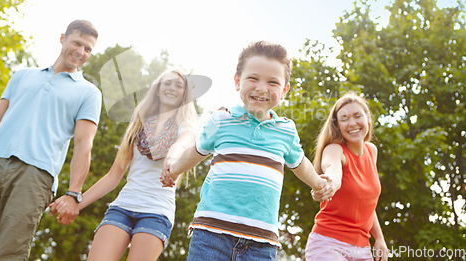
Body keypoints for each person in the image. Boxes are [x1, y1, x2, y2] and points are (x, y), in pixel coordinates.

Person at [161, 41, 335, 261]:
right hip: (211, 234)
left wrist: (319, 184)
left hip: (261, 243)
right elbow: (195, 152)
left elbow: (301, 165)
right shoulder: (222, 120)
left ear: (284, 90)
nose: (261, 88)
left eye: (273, 82)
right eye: (253, 78)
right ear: (237, 81)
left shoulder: (286, 130)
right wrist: (174, 169)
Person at [0, 20, 102, 260]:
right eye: (77, 43)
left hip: (35, 175)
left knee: (10, 253)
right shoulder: (22, 76)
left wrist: (74, 193)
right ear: (62, 38)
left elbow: (84, 144)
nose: (81, 52)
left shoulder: (88, 93)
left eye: (88, 49)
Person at [50, 70, 198, 261]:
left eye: (179, 86)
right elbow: (113, 176)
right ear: (157, 90)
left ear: (185, 94)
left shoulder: (186, 127)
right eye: (167, 83)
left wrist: (170, 160)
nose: (172, 88)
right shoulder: (138, 127)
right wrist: (77, 204)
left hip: (156, 212)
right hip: (122, 207)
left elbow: (181, 145)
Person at [306, 92, 389, 261]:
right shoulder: (334, 149)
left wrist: (379, 238)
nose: (352, 123)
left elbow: (366, 203)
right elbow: (332, 169)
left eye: (357, 116)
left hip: (363, 249)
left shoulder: (371, 151)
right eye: (344, 119)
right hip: (328, 244)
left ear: (368, 118)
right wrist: (330, 184)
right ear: (337, 126)